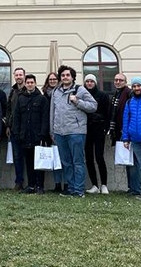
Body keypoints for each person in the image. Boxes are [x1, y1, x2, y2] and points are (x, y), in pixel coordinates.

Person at [49, 65, 97, 198]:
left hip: (76, 132)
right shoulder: (56, 92)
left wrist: (78, 101)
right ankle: (70, 188)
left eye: (68, 75)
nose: (65, 77)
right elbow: (52, 111)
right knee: (66, 162)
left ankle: (79, 190)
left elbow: (93, 106)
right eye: (63, 75)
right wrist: (52, 130)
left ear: (72, 77)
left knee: (78, 161)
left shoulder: (80, 90)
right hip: (59, 132)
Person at [11, 74, 50, 194]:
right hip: (24, 136)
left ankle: (40, 186)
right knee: (28, 162)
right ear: (25, 84)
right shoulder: (21, 98)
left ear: (35, 83)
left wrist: (43, 134)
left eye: (32, 82)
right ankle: (31, 185)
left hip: (37, 136)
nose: (29, 84)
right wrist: (17, 133)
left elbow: (45, 118)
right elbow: (16, 117)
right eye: (28, 83)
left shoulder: (41, 99)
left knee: (39, 162)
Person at [109, 73, 140, 196]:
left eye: (120, 80)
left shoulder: (129, 93)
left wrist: (127, 131)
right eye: (116, 80)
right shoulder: (116, 94)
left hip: (128, 132)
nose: (117, 82)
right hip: (120, 132)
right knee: (128, 161)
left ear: (125, 81)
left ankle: (136, 189)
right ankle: (131, 188)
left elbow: (131, 113)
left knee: (133, 162)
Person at [83, 74, 111, 195]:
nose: (89, 83)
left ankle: (104, 184)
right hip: (86, 129)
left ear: (95, 83)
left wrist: (106, 127)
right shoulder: (82, 95)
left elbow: (108, 113)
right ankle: (94, 184)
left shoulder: (103, 95)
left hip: (99, 129)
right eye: (87, 81)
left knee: (99, 157)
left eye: (91, 81)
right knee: (89, 158)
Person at [43, 72, 64, 193]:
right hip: (49, 130)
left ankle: (66, 183)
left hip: (61, 129)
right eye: (50, 79)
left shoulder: (62, 93)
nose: (52, 81)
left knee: (64, 159)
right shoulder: (45, 94)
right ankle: (57, 184)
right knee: (55, 159)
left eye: (54, 79)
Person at [6, 67, 27, 190]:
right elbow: (8, 110)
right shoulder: (12, 91)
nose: (19, 77)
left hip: (27, 129)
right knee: (17, 156)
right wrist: (8, 125)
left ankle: (33, 182)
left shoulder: (29, 88)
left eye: (21, 74)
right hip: (14, 129)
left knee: (28, 157)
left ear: (24, 76)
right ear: (14, 76)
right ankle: (19, 182)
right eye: (17, 75)